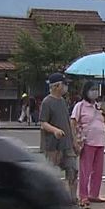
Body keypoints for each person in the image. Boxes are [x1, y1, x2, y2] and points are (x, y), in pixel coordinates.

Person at [39, 72, 80, 201]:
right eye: (64, 84)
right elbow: (43, 123)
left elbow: (68, 122)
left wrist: (74, 141)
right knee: (52, 174)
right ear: (56, 86)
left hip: (67, 144)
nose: (65, 87)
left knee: (73, 170)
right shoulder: (47, 102)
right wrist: (55, 130)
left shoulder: (63, 101)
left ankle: (73, 199)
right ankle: (50, 199)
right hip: (52, 145)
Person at [71, 80, 105, 208]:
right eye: (92, 89)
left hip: (100, 141)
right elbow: (73, 122)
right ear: (86, 91)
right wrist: (75, 138)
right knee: (85, 170)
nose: (95, 92)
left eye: (96, 89)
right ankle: (83, 195)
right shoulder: (80, 106)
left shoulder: (97, 106)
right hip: (87, 142)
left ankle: (94, 194)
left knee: (98, 170)